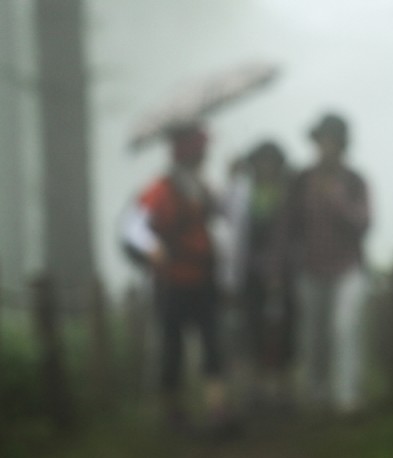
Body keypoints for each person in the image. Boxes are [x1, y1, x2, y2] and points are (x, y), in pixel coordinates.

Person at [122, 121, 232, 433]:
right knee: (172, 348)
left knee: (212, 344)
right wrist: (153, 248)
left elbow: (223, 217)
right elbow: (133, 228)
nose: (204, 158)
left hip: (203, 279)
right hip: (171, 281)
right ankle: (175, 410)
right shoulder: (160, 189)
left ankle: (216, 409)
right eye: (200, 152)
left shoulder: (203, 187)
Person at [281, 112, 371, 415]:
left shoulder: (355, 181)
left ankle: (347, 397)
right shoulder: (301, 181)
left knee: (345, 328)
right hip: (310, 269)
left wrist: (336, 200)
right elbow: (288, 225)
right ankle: (317, 393)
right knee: (314, 334)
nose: (325, 147)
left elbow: (363, 223)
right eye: (321, 141)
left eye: (331, 141)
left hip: (348, 269)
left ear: (342, 145)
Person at [224, 140, 294, 406]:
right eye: (261, 161)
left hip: (284, 274)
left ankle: (281, 388)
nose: (266, 167)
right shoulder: (242, 191)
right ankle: (256, 388)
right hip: (250, 275)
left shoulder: (288, 192)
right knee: (252, 330)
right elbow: (229, 224)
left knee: (283, 332)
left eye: (271, 162)